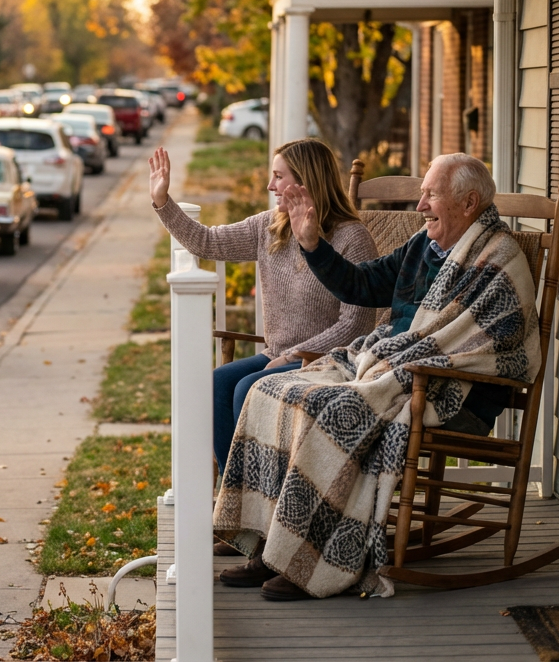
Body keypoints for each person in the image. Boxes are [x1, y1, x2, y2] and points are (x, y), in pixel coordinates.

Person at [213, 153, 541, 602]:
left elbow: (495, 348)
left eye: (431, 195)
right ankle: (270, 546)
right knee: (270, 389)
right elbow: (362, 285)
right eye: (422, 193)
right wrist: (313, 246)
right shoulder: (426, 245)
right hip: (394, 368)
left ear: (468, 203)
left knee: (330, 409)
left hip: (449, 393)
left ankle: (305, 560)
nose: (421, 206)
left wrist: (407, 363)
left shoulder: (499, 259)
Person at [149, 139, 379, 525]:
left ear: (305, 183)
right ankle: (241, 510)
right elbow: (207, 241)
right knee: (217, 384)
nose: (271, 186)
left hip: (327, 363)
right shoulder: (270, 226)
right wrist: (162, 201)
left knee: (247, 387)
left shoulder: (351, 238)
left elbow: (356, 323)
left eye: (278, 176)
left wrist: (295, 354)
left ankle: (270, 515)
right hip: (279, 356)